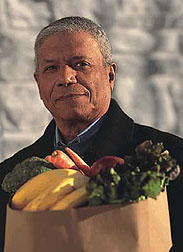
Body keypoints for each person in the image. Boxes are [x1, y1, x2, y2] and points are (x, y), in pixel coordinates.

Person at [0, 16, 182, 251]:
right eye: (51, 68)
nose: (66, 78)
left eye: (80, 64)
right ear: (38, 83)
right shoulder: (7, 178)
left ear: (110, 75)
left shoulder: (174, 159)